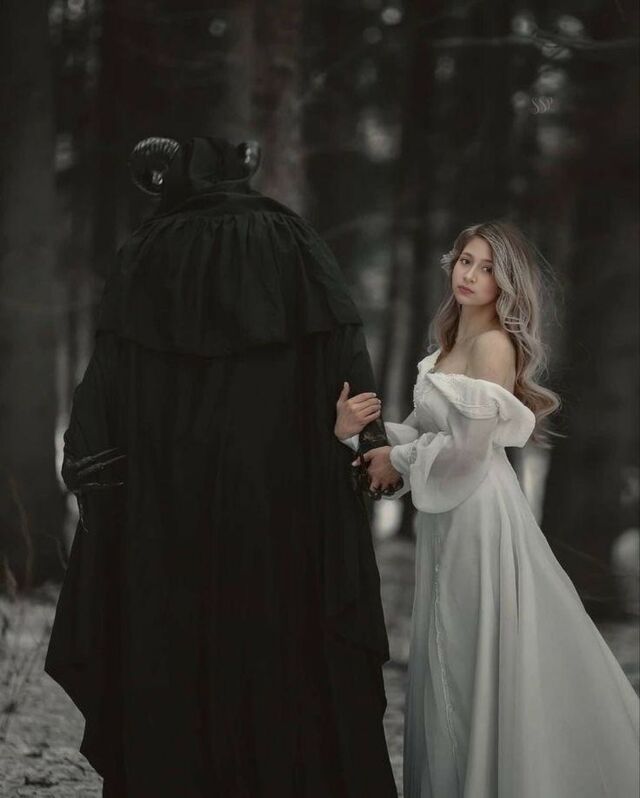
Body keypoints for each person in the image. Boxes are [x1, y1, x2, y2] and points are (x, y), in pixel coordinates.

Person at [45, 136, 399, 797]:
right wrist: (367, 439)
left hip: (166, 486)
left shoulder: (149, 247)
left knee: (172, 629)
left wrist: (89, 463)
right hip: (279, 486)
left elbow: (108, 366)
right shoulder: (292, 239)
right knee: (278, 628)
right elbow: (344, 346)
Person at [335, 221, 640, 798]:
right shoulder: (448, 348)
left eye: (488, 267)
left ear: (506, 282)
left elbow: (468, 450)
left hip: (477, 512)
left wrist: (396, 459)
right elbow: (423, 433)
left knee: (472, 648)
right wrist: (357, 434)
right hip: (447, 515)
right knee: (448, 647)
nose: (471, 275)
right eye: (465, 261)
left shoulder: (493, 345)